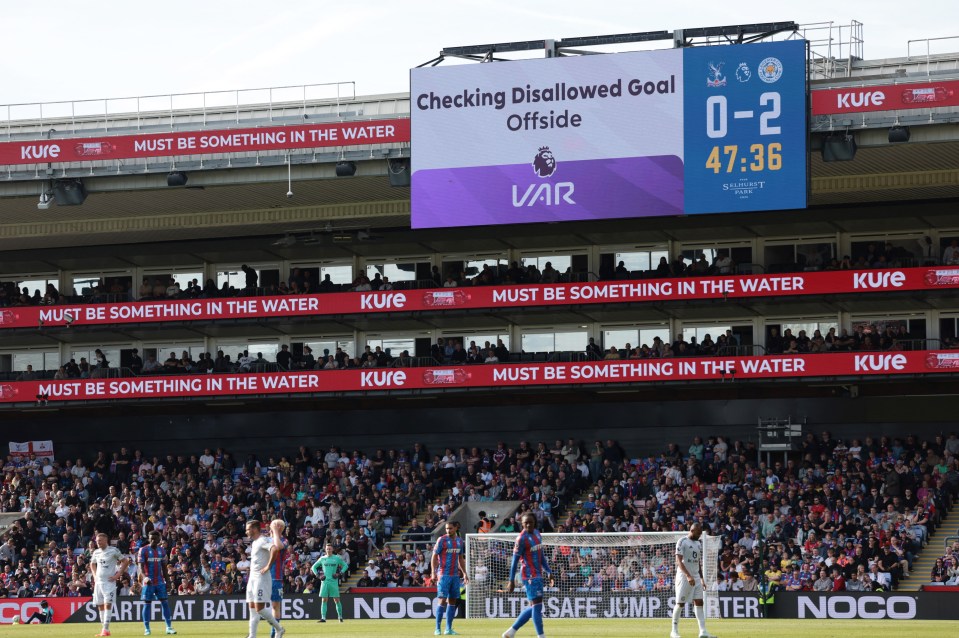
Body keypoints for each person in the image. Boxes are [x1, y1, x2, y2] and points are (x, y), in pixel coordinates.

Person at [502, 513, 553, 638]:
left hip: (538, 574)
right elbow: (514, 561)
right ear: (522, 524)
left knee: (534, 606)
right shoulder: (521, 539)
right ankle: (541, 636)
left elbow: (541, 556)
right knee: (537, 606)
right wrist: (511, 580)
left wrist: (548, 571)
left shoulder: (537, 534)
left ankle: (511, 632)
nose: (528, 524)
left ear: (534, 522)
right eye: (525, 523)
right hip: (529, 575)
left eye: (530, 522)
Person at [671, 522, 716, 638]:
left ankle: (703, 632)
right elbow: (678, 561)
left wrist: (701, 578)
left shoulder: (698, 543)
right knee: (680, 603)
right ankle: (674, 631)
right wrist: (688, 576)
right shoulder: (682, 541)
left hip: (696, 577)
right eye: (699, 532)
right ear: (692, 530)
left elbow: (698, 563)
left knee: (699, 602)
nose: (700, 534)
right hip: (684, 576)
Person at [245, 519, 285, 638]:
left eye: (248, 529)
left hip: (261, 579)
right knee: (252, 608)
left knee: (260, 608)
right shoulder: (255, 542)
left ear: (254, 529)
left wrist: (268, 565)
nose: (246, 531)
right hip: (252, 578)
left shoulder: (263, 540)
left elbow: (275, 548)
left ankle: (279, 629)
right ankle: (252, 635)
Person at [432, 520, 468, 636]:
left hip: (455, 575)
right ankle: (437, 628)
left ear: (456, 528)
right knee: (442, 600)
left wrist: (464, 573)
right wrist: (433, 572)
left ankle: (448, 628)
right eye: (447, 529)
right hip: (443, 574)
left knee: (452, 601)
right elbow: (434, 557)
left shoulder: (459, 541)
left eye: (450, 528)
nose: (448, 530)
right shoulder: (442, 540)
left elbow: (460, 559)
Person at [139, 530, 177, 635]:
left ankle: (169, 627)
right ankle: (147, 628)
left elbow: (164, 568)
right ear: (148, 539)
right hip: (148, 582)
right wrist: (145, 578)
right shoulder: (143, 550)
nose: (153, 541)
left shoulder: (162, 551)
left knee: (165, 603)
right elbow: (140, 566)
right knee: (147, 604)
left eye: (155, 539)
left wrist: (168, 581)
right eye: (151, 538)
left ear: (159, 539)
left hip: (160, 581)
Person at [91, 532, 129, 636]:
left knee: (108, 604)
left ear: (105, 541)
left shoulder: (113, 550)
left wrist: (117, 575)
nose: (98, 543)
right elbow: (92, 564)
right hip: (98, 583)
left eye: (100, 541)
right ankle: (105, 630)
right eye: (97, 541)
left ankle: (105, 628)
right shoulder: (96, 552)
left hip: (109, 582)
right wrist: (94, 576)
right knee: (100, 605)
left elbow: (125, 561)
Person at [311, 542, 348, 623]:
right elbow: (313, 567)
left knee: (336, 600)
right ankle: (323, 618)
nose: (328, 550)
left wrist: (339, 573)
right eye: (327, 549)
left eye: (330, 548)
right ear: (325, 549)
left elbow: (345, 565)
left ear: (332, 549)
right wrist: (318, 575)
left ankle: (340, 617)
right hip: (324, 582)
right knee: (324, 600)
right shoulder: (322, 558)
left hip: (333, 582)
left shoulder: (337, 558)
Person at [268, 520, 289, 638]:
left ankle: (274, 633)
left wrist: (276, 531)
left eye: (277, 526)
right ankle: (252, 632)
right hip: (263, 577)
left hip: (276, 578)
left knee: (275, 606)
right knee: (255, 605)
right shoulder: (265, 540)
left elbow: (278, 546)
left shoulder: (284, 541)